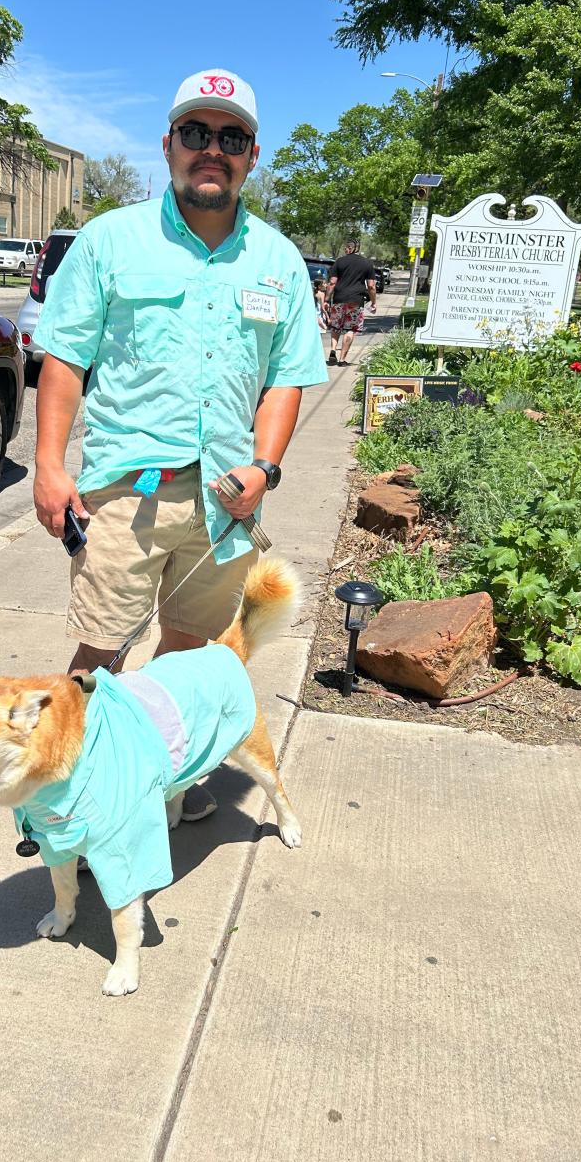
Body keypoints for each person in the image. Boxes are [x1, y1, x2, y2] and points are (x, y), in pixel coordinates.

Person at [32, 67, 326, 821]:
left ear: (251, 156)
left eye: (231, 138)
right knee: (99, 654)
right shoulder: (109, 241)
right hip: (125, 495)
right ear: (168, 145)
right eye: (196, 133)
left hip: (223, 501)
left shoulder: (278, 261)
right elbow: (64, 357)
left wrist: (265, 467)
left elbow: (287, 379)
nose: (212, 150)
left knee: (190, 654)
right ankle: (74, 796)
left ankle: (159, 782)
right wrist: (48, 466)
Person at [327, 238, 377, 365]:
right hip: (356, 300)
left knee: (336, 326)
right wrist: (373, 302)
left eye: (346, 247)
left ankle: (333, 351)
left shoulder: (339, 262)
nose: (345, 249)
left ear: (349, 248)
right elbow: (371, 286)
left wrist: (326, 299)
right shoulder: (367, 264)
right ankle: (342, 359)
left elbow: (332, 282)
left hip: (338, 299)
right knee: (351, 329)